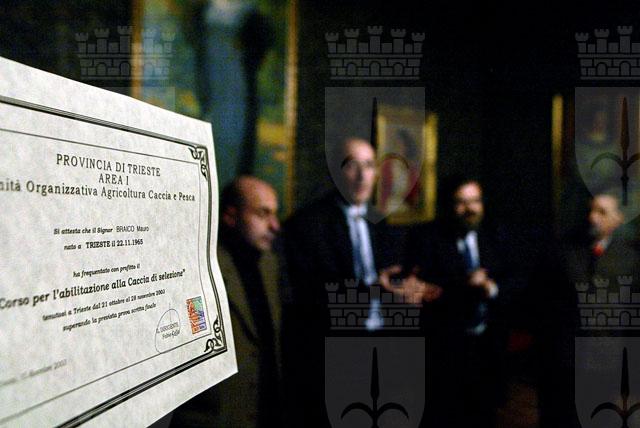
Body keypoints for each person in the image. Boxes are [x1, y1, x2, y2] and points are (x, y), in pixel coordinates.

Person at [283, 137, 425, 426]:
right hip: (332, 348)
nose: (362, 176)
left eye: (369, 165)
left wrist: (408, 286)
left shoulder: (379, 220)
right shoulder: (307, 224)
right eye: (352, 165)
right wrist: (373, 290)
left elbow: (388, 276)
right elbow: (311, 295)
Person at [171, 176, 283, 428]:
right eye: (263, 214)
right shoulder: (199, 269)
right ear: (231, 216)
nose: (275, 225)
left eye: (274, 214)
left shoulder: (270, 264)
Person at [403, 176, 510, 428]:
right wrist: (466, 284)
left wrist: (491, 287)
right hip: (445, 349)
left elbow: (515, 278)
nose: (470, 209)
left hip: (487, 348)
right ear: (449, 206)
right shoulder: (426, 237)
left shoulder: (496, 234)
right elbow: (424, 289)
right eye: (461, 202)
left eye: (475, 201)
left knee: (484, 417)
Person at [535, 191, 640, 428]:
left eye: (602, 212)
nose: (593, 217)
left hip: (606, 362)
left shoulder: (631, 259)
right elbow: (544, 301)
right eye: (591, 210)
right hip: (565, 358)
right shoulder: (565, 250)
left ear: (619, 218)